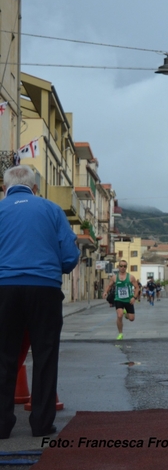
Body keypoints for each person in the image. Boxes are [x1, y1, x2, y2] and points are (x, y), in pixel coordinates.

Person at [0, 165, 80, 438]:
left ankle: (1, 424)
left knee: (4, 356)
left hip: (4, 289)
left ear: (4, 188)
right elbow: (70, 256)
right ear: (35, 188)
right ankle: (42, 424)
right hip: (44, 289)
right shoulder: (52, 210)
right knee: (45, 355)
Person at [104, 260, 141, 340]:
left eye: (124, 266)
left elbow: (137, 287)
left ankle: (126, 314)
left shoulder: (131, 277)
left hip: (128, 300)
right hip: (118, 299)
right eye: (121, 266)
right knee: (119, 315)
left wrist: (134, 297)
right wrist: (105, 292)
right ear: (118, 267)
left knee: (131, 319)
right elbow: (109, 286)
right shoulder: (114, 277)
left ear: (126, 267)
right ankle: (120, 334)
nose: (123, 268)